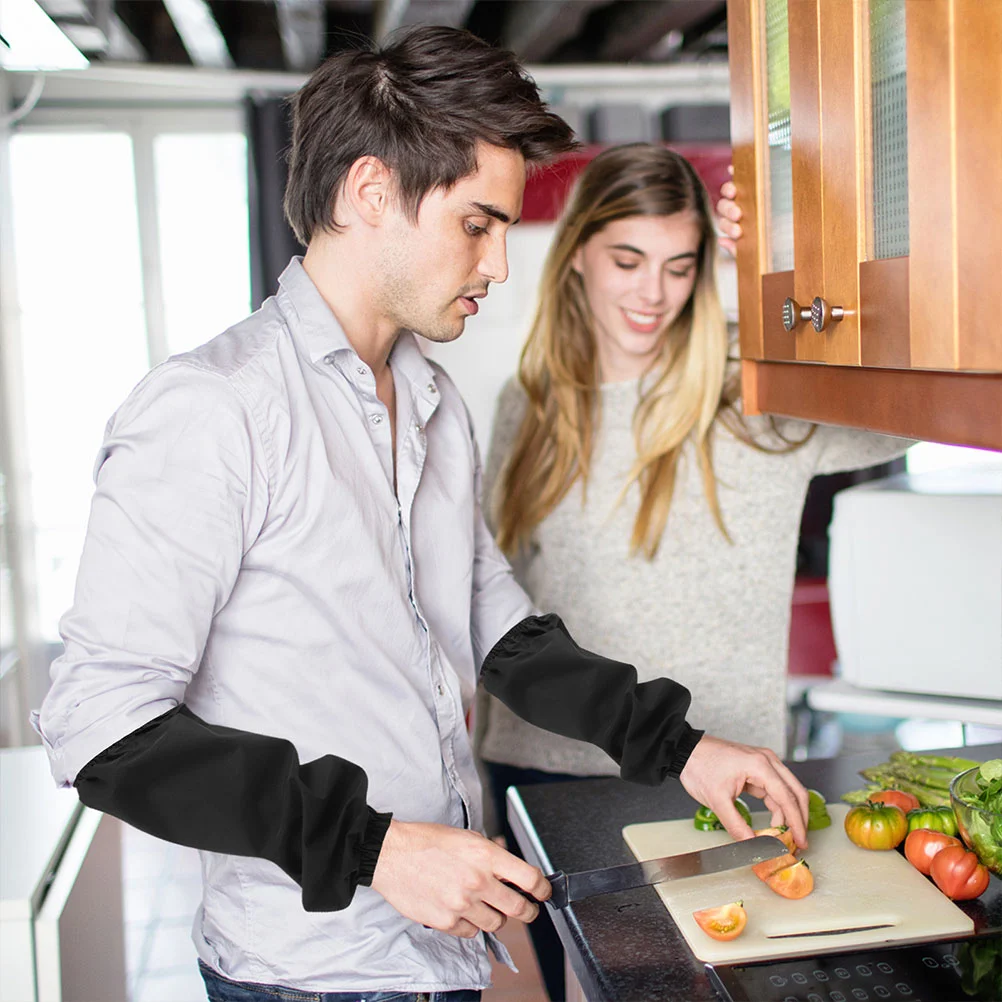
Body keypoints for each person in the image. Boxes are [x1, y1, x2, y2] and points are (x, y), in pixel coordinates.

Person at [34, 33, 810, 1002]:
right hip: (308, 974)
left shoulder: (433, 405)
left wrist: (683, 749)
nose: (499, 262)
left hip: (436, 957)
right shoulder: (214, 409)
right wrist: (375, 848)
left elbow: (502, 635)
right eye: (477, 224)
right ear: (371, 191)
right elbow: (100, 727)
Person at [477, 143, 911, 999]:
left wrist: (789, 267)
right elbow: (492, 600)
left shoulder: (755, 388)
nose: (653, 293)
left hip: (720, 775)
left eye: (680, 267)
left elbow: (915, 400)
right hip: (545, 773)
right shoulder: (527, 402)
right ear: (577, 255)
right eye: (627, 260)